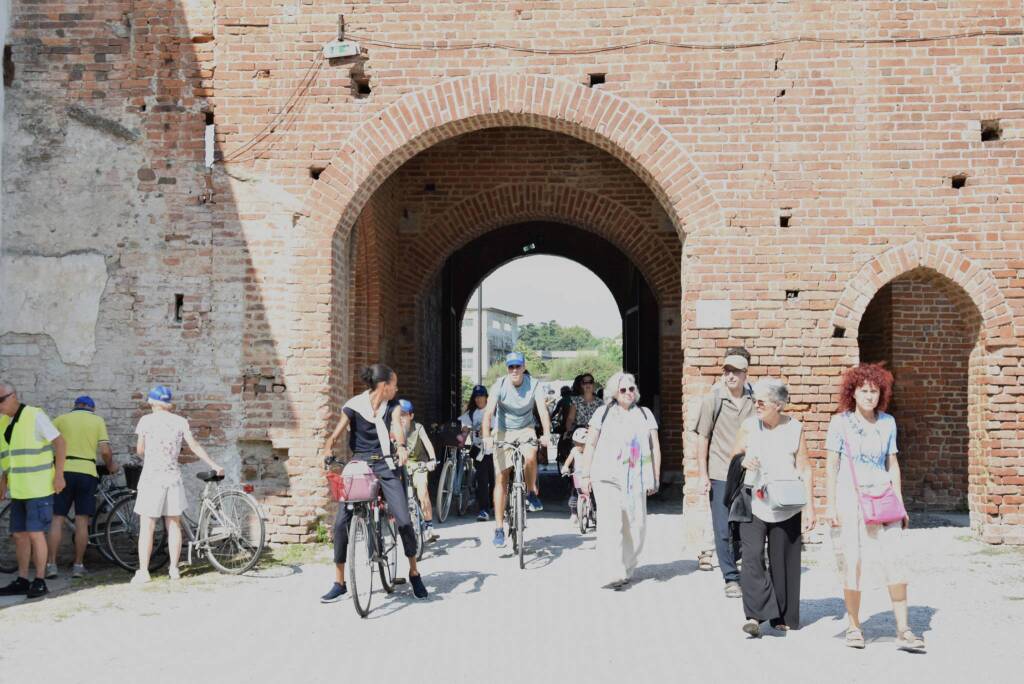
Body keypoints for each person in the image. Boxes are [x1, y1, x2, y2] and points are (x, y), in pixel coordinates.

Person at [825, 363, 925, 651]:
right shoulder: (839, 423)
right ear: (853, 393)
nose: (869, 396)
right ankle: (854, 626)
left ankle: (904, 628)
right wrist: (830, 505)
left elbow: (892, 464)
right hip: (851, 497)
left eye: (874, 391)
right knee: (853, 560)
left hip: (883, 498)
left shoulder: (888, 422)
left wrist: (901, 503)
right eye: (864, 390)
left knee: (895, 559)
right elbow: (832, 466)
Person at [320, 363, 428, 602]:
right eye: (394, 384)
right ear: (384, 386)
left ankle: (414, 571)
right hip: (360, 464)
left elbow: (397, 429)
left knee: (403, 519)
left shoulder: (393, 407)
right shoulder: (354, 405)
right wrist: (328, 446)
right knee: (340, 524)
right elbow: (338, 430)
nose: (397, 388)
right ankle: (339, 582)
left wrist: (400, 447)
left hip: (386, 463)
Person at [730, 379, 814, 637]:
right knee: (753, 557)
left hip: (786, 503)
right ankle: (754, 616)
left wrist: (810, 507)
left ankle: (780, 615)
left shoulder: (795, 429)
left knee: (783, 561)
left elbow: (805, 468)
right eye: (755, 401)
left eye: (762, 402)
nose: (756, 405)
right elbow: (734, 457)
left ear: (778, 405)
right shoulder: (748, 427)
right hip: (754, 503)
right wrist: (744, 461)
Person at [132, 385, 223, 584]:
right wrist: (214, 464)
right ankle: (174, 569)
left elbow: (140, 450)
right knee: (174, 524)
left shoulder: (146, 421)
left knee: (147, 525)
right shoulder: (180, 421)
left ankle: (144, 572)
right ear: (169, 403)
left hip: (151, 477)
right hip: (172, 476)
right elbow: (194, 446)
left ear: (152, 402)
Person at [577, 372, 661, 589]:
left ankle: (627, 565)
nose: (628, 393)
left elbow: (655, 447)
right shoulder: (602, 413)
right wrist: (585, 475)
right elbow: (591, 445)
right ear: (614, 393)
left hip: (636, 478)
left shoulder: (645, 414)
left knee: (637, 525)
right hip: (606, 476)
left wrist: (656, 477)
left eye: (631, 389)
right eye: (623, 390)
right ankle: (612, 570)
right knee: (610, 523)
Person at [693, 347, 754, 598]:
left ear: (745, 374)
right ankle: (730, 577)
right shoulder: (714, 400)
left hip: (749, 471)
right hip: (720, 471)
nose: (730, 376)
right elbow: (702, 437)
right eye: (727, 371)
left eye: (735, 372)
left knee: (744, 524)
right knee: (721, 526)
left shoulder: (754, 399)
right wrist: (702, 474)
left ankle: (742, 564)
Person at [0, 382, 67, 599]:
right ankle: (22, 579)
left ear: (13, 396)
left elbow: (60, 443)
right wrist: (4, 483)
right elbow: (7, 458)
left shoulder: (34, 415)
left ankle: (39, 580)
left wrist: (59, 475)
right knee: (19, 535)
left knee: (36, 534)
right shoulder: (3, 423)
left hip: (39, 488)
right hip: (18, 490)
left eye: (1, 400)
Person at [481, 352, 552, 548]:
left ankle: (530, 492)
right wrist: (487, 436)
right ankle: (498, 528)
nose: (514, 370)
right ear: (507, 368)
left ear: (523, 367)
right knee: (501, 477)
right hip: (503, 431)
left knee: (530, 457)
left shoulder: (534, 384)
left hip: (526, 428)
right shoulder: (500, 385)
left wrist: (546, 433)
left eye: (517, 367)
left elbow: (542, 410)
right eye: (511, 367)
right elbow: (489, 412)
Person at [47, 395, 118, 579]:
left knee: (57, 519)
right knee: (82, 521)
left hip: (62, 472)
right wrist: (111, 466)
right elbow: (104, 451)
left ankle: (51, 565)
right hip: (87, 472)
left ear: (75, 406)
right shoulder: (97, 420)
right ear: (92, 408)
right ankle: (78, 565)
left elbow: (45, 443)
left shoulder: (62, 419)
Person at [398, 399, 438, 542]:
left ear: (411, 416)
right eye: (399, 414)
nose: (401, 418)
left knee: (422, 492)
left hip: (419, 464)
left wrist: (432, 460)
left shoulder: (418, 428)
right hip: (401, 465)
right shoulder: (393, 428)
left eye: (404, 414)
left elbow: (428, 444)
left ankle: (429, 526)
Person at [459, 385, 494, 521]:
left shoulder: (492, 411)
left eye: (482, 396)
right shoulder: (471, 413)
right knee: (482, 479)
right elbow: (465, 429)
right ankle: (484, 509)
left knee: (494, 480)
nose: (479, 399)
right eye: (477, 396)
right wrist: (461, 438)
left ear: (487, 397)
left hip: (494, 449)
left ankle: (493, 504)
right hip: (479, 450)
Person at [560, 427, 594, 523]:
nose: (578, 446)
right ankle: (574, 513)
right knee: (573, 497)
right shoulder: (574, 450)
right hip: (577, 477)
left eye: (581, 444)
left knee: (593, 496)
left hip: (589, 477)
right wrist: (565, 467)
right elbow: (569, 460)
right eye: (576, 443)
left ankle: (592, 514)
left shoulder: (591, 451)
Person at [564, 373, 602, 437]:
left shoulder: (601, 403)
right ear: (581, 385)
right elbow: (570, 419)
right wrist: (569, 431)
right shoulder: (575, 401)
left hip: (596, 435)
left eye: (590, 382)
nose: (587, 384)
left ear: (593, 384)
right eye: (584, 382)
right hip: (579, 435)